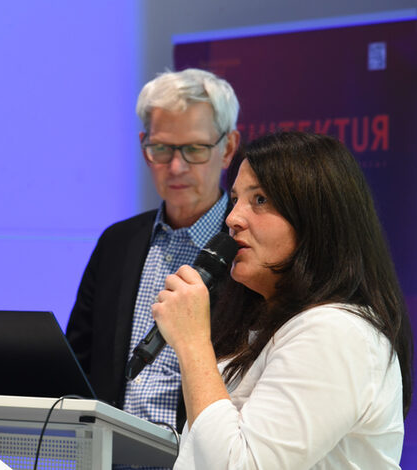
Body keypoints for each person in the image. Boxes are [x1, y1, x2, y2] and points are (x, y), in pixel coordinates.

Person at [152, 131, 413, 469]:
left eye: (259, 200)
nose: (232, 219)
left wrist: (192, 344)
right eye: (235, 200)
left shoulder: (335, 332)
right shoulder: (270, 328)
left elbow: (241, 465)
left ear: (316, 219)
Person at [66, 68, 241, 433]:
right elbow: (76, 364)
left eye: (194, 149)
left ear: (227, 148)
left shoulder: (246, 245)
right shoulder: (118, 242)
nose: (175, 167)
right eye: (161, 149)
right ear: (144, 145)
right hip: (108, 454)